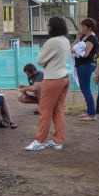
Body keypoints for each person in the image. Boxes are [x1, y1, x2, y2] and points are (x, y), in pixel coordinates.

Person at [25, 16, 70, 151]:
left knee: (44, 110)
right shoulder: (66, 40)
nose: (47, 27)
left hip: (52, 79)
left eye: (49, 25)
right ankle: (58, 140)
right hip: (64, 77)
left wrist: (47, 61)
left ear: (53, 27)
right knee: (58, 110)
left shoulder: (52, 41)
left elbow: (39, 60)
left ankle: (39, 141)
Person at [71, 18, 99, 121]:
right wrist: (77, 38)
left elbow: (86, 54)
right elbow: (71, 47)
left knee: (85, 89)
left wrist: (75, 52)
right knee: (84, 88)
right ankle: (90, 112)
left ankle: (92, 114)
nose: (81, 28)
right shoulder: (83, 37)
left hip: (86, 65)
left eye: (83, 26)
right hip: (82, 65)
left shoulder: (91, 39)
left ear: (89, 27)